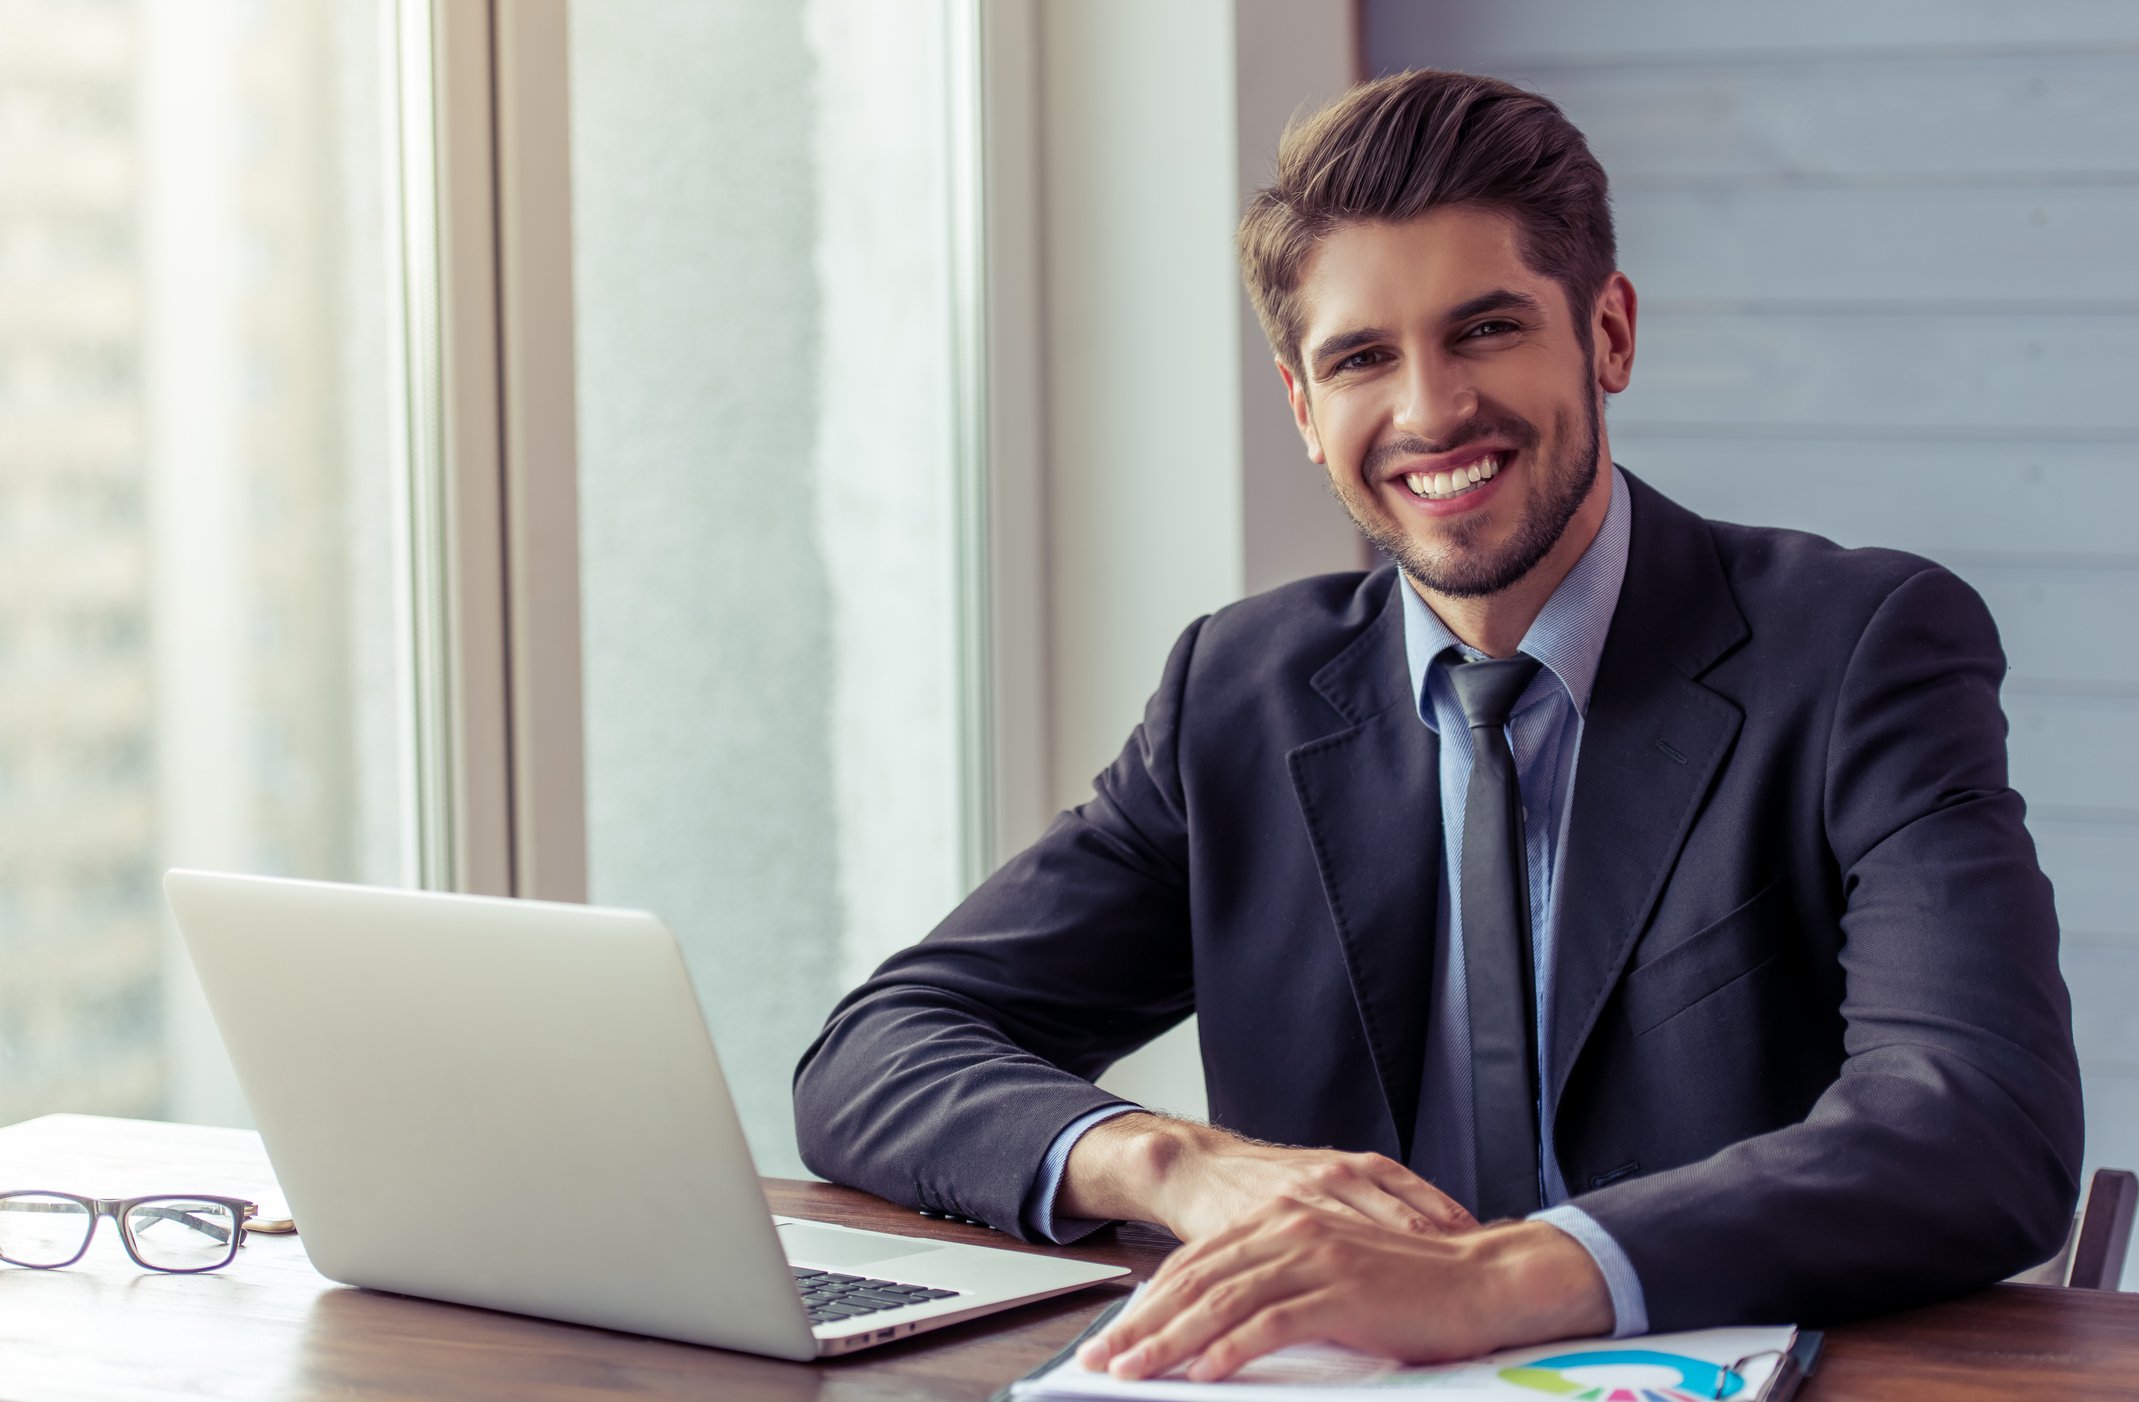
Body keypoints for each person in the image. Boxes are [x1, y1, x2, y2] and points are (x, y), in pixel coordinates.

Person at [792, 68, 2083, 1381]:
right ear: (1304, 409)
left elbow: (1979, 1121)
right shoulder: (1236, 694)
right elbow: (879, 1050)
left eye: (1485, 330)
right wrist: (1175, 1162)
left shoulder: (1860, 647)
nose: (1428, 411)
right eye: (1361, 358)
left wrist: (1500, 1278)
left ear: (1610, 334)